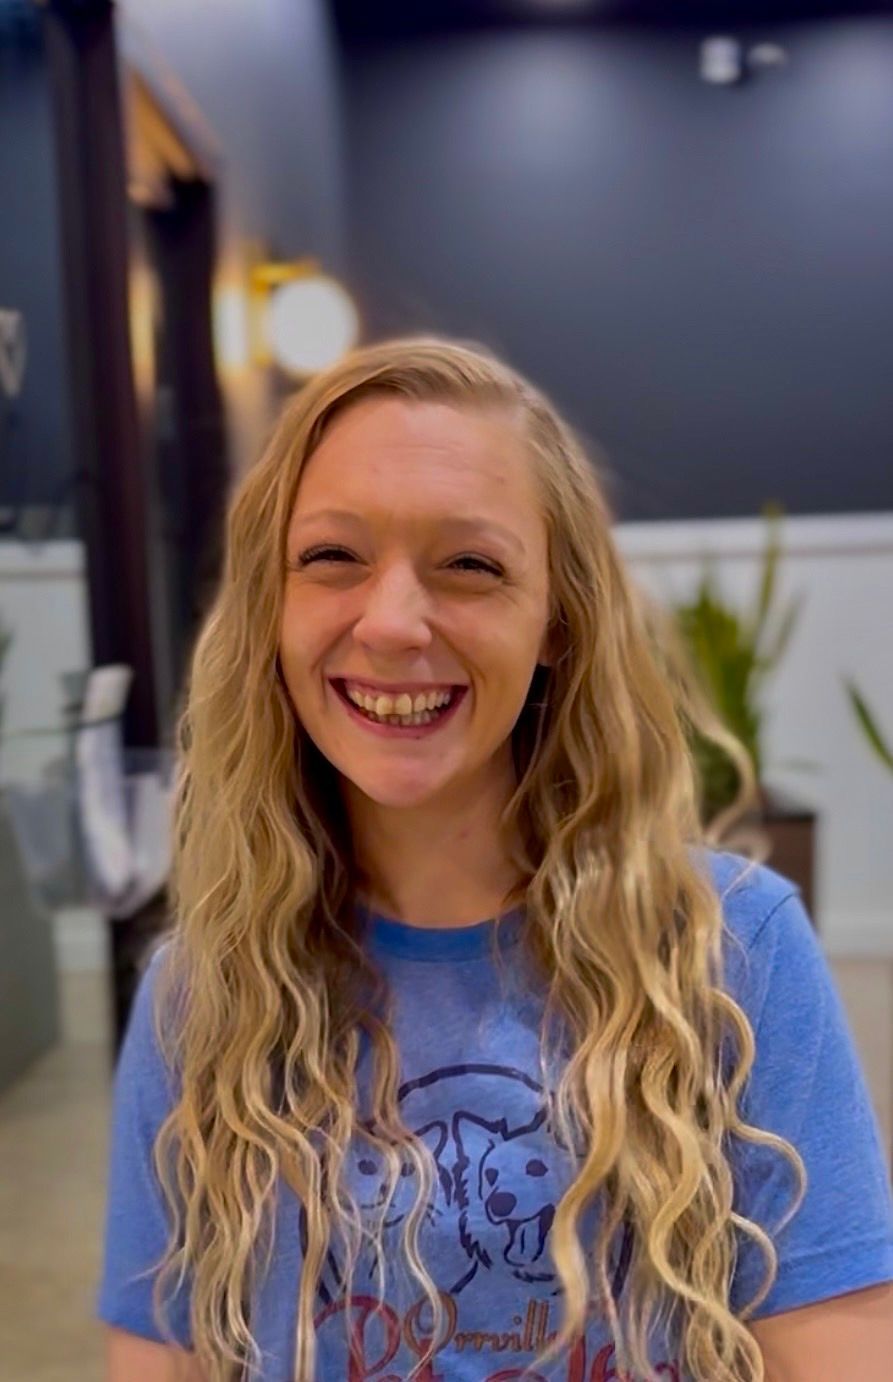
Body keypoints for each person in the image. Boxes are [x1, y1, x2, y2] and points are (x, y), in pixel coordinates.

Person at [96, 337, 893, 1382]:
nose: (390, 622)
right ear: (269, 608)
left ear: (556, 617)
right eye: (332, 556)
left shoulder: (729, 945)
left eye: (469, 564)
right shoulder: (197, 993)